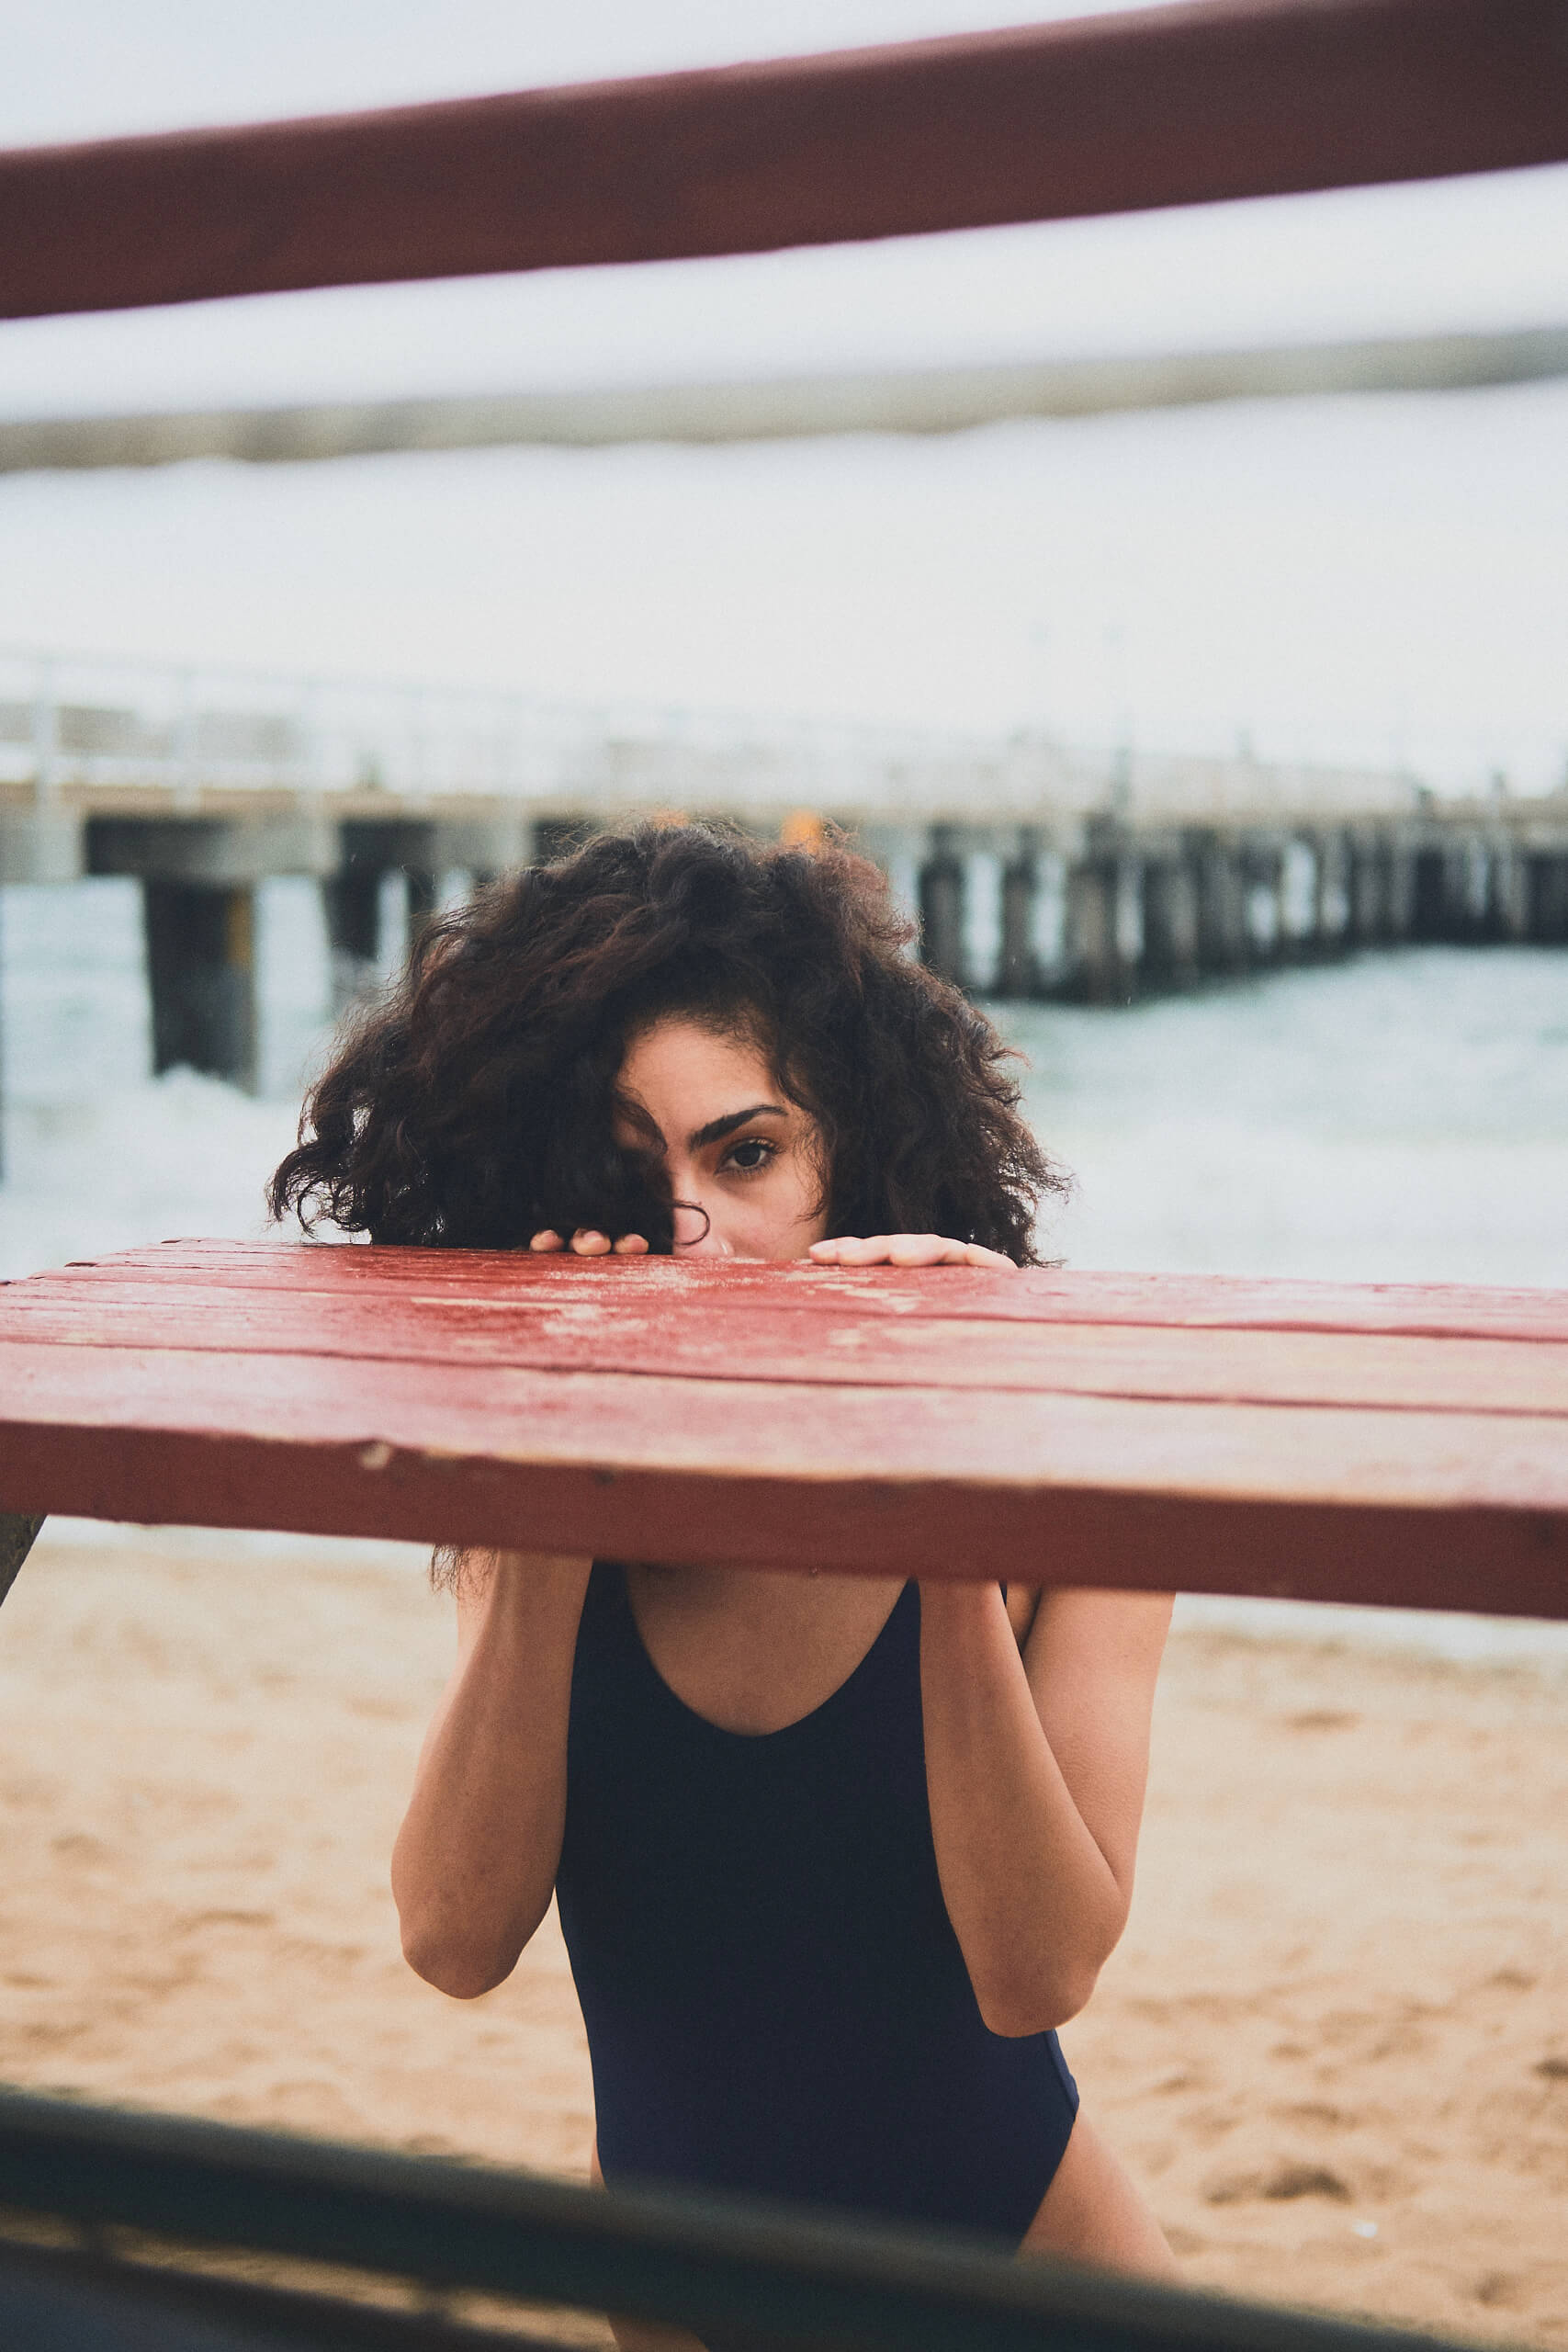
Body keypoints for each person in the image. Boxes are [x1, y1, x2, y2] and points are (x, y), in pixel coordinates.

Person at [270, 822, 1177, 2334]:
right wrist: (554, 1511)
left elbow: (1037, 1979)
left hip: (1035, 2285)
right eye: (634, 1175)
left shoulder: (1071, 1484)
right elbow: (451, 1939)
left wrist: (943, 1503)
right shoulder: (544, 1500)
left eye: (748, 1153)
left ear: (857, 1153)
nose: (693, 1239)